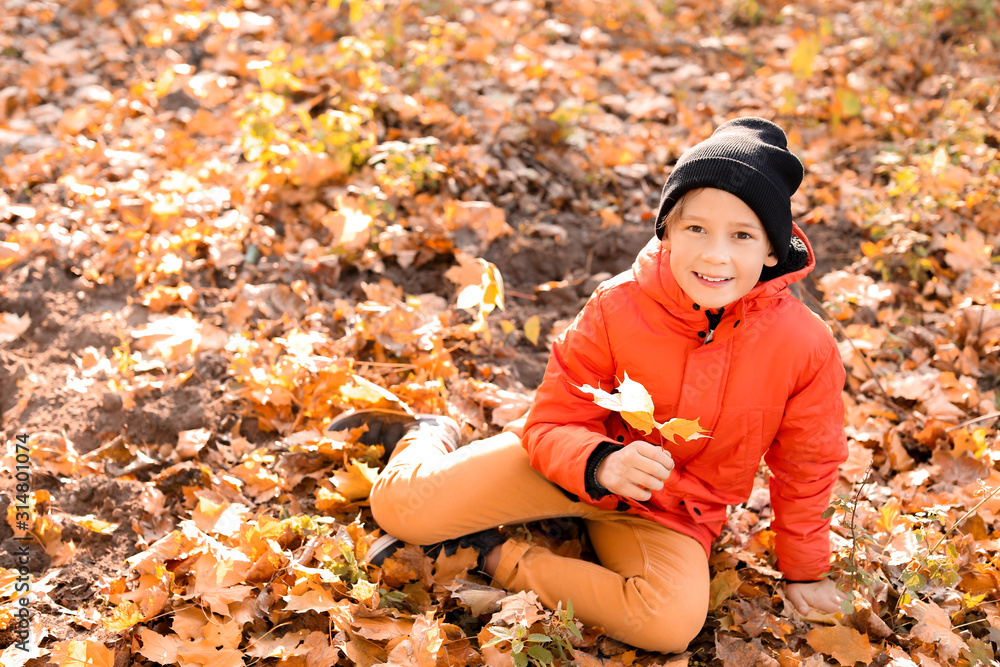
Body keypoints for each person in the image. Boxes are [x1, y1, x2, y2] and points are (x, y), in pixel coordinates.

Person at [332, 117, 848, 654]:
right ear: (667, 232)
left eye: (741, 235)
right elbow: (552, 419)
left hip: (671, 510)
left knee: (669, 624)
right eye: (696, 229)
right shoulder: (617, 306)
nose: (715, 254)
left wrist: (805, 572)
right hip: (566, 469)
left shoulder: (804, 346)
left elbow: (807, 467)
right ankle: (428, 434)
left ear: (772, 250)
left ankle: (487, 553)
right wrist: (600, 463)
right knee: (400, 509)